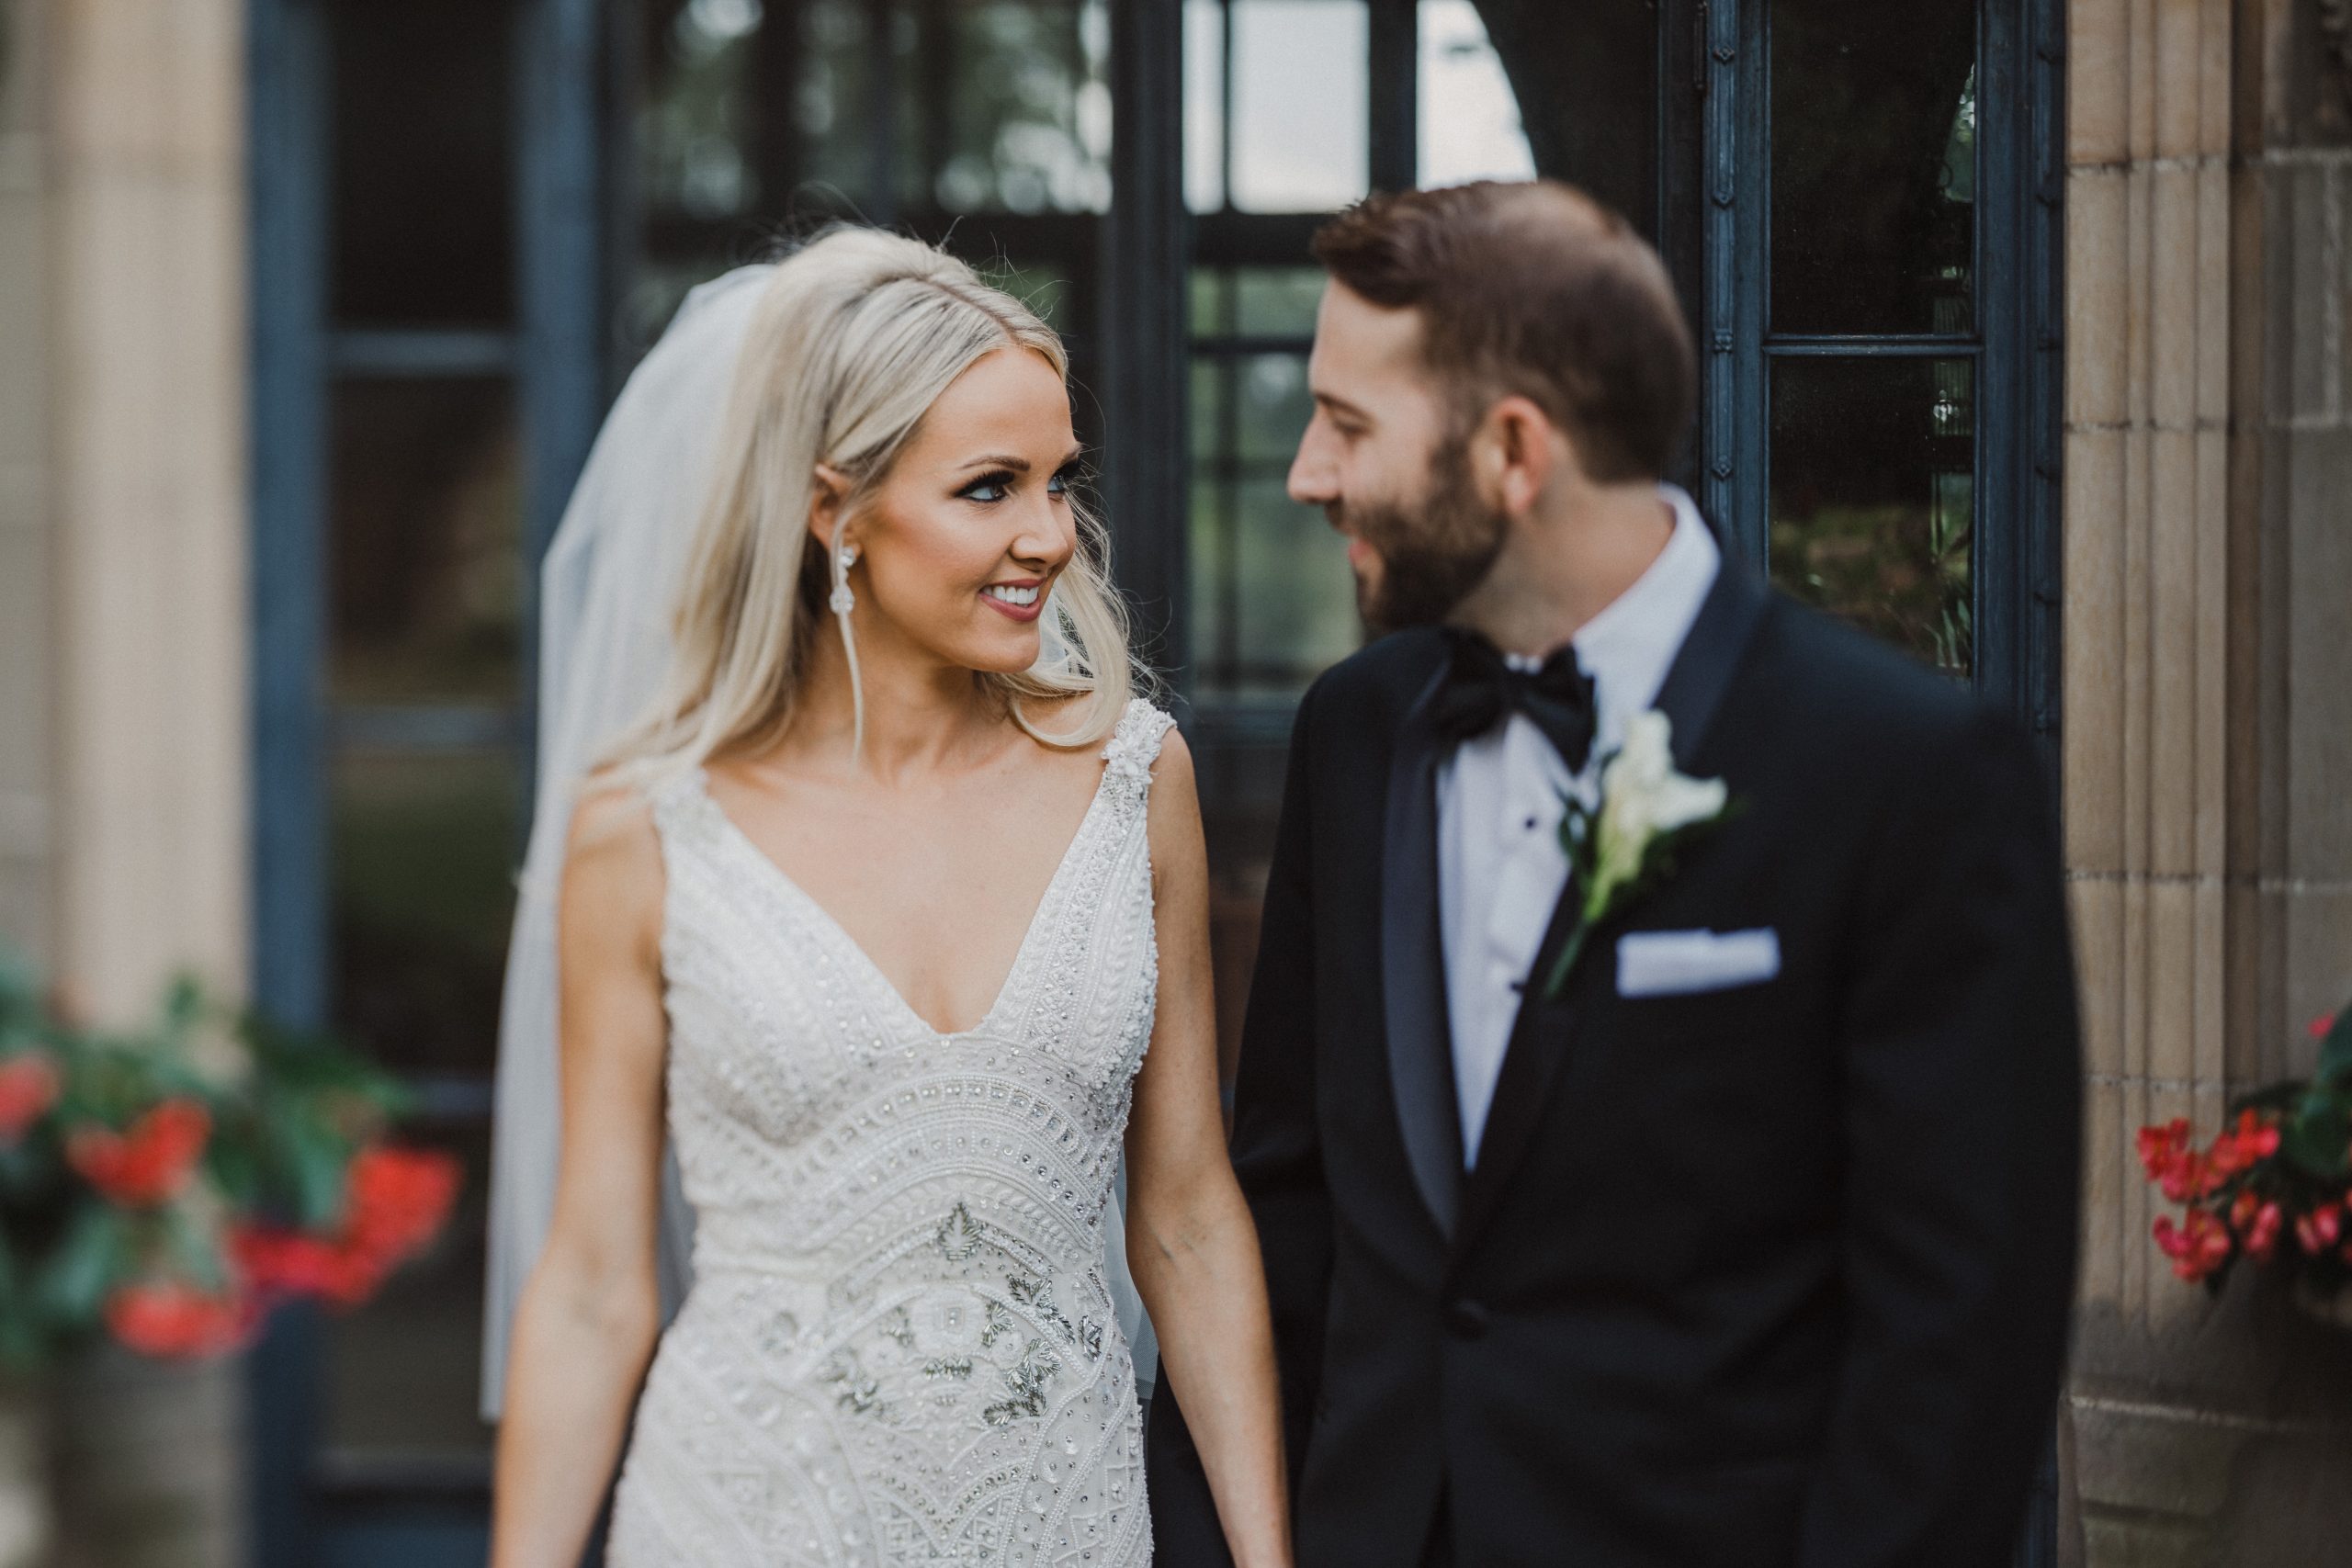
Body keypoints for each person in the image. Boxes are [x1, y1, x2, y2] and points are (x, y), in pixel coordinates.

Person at [1147, 180, 2082, 1567]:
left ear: (1514, 449)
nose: (1307, 472)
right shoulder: (1358, 736)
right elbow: (1294, 1215)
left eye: (1348, 424)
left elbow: (1958, 1341)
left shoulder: (1908, 775)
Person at [487, 229, 1291, 1568]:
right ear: (832, 509)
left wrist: (1268, 1558)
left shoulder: (1136, 781)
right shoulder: (650, 829)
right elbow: (588, 1285)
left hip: (1063, 1520)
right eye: (990, 488)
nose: (1048, 535)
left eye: (1058, 482)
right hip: (744, 1519)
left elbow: (1190, 1214)